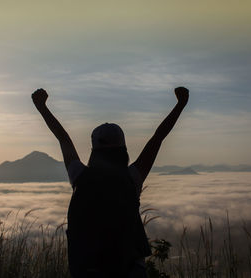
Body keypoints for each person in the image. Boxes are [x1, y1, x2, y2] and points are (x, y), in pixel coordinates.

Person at [32, 87, 189, 278]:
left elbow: (62, 137)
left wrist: (42, 107)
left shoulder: (80, 176)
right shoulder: (132, 178)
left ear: (94, 150)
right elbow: (157, 139)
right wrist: (180, 104)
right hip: (130, 270)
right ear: (123, 148)